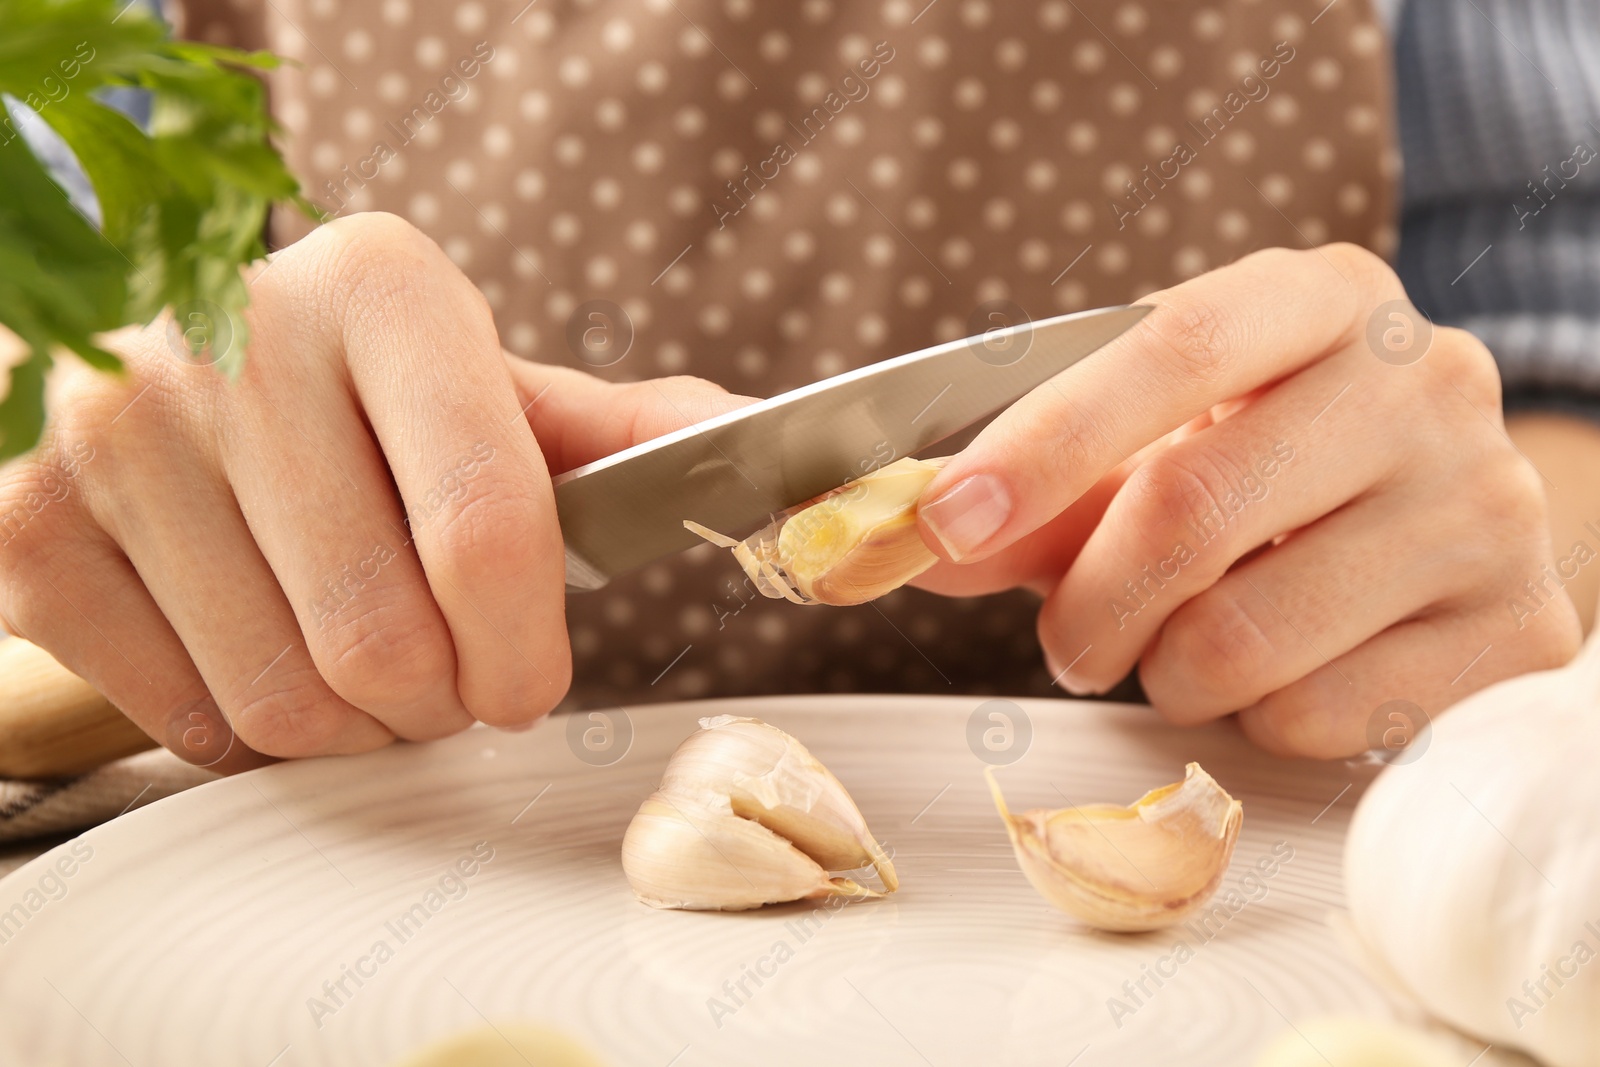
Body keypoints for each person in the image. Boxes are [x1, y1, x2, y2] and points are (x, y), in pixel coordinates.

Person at [1, 0, 1594, 779]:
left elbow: (1551, 363)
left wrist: (1483, 557)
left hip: (1232, 865)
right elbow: (53, 328)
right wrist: (94, 411)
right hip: (381, 868)